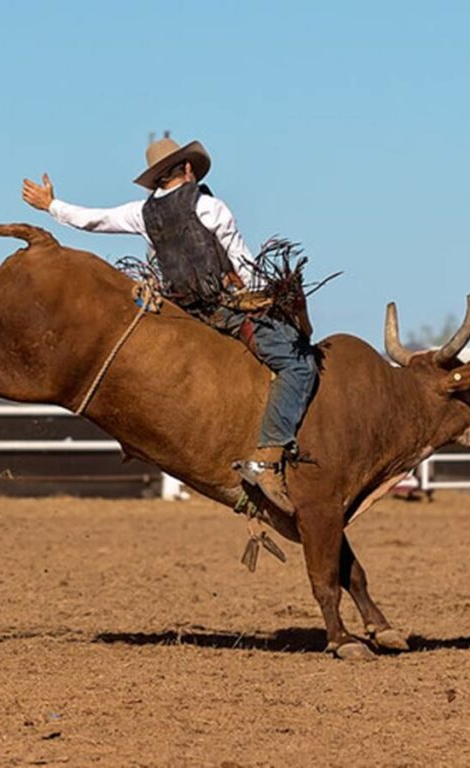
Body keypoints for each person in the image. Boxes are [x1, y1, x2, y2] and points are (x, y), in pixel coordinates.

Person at [21, 136, 317, 513]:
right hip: (222, 310)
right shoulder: (210, 206)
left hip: (178, 311)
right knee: (298, 364)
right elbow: (245, 267)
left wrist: (50, 205)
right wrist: (270, 296)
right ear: (189, 169)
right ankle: (268, 460)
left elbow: (94, 219)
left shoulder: (141, 213)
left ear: (157, 178)